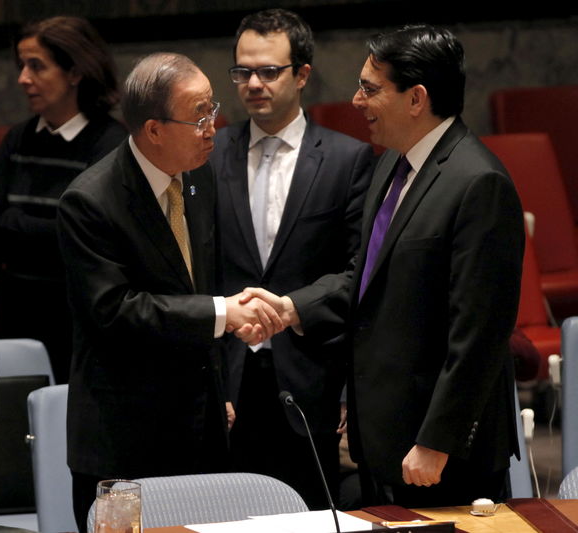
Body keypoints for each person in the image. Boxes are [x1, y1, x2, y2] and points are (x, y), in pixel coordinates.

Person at [240, 25, 524, 508]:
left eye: (370, 89)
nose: (355, 100)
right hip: (384, 438)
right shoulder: (393, 165)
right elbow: (365, 278)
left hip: (441, 455)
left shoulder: (479, 183)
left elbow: (478, 335)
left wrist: (438, 441)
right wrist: (291, 307)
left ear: (416, 99)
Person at [57, 52, 284, 531]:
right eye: (198, 117)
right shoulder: (90, 201)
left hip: (200, 424)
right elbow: (116, 312)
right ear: (153, 129)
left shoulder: (199, 175)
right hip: (125, 437)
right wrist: (224, 314)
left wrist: (217, 383)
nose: (212, 127)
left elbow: (200, 282)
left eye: (212, 111)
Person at [211, 9, 373, 508]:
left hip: (309, 371)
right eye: (243, 72)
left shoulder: (349, 158)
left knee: (311, 512)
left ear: (301, 74)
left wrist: (289, 309)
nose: (253, 84)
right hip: (229, 374)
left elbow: (356, 272)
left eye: (268, 71)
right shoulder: (209, 153)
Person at [0, 16, 127, 384]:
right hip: (17, 313)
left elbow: (95, 240)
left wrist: (15, 223)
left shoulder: (111, 144)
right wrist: (55, 230)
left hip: (78, 318)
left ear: (74, 72)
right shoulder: (18, 139)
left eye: (36, 66)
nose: (23, 78)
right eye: (21, 65)